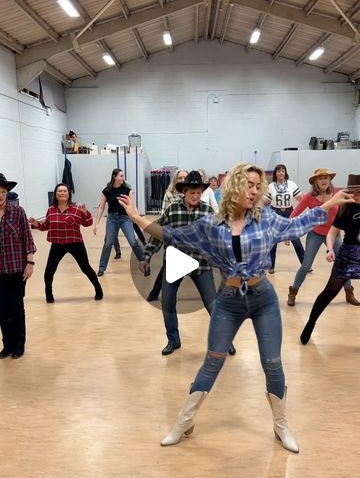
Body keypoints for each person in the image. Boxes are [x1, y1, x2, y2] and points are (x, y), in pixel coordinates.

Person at [119, 162, 352, 452]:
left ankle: (281, 425)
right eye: (249, 185)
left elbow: (295, 227)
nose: (254, 191)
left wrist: (328, 203)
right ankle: (184, 421)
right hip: (229, 302)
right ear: (234, 187)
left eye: (258, 186)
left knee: (272, 362)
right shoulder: (210, 225)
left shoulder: (265, 218)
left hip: (262, 298)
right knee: (213, 360)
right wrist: (136, 217)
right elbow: (172, 236)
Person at [141, 171, 233, 356]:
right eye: (192, 193)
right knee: (167, 303)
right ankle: (173, 340)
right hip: (175, 262)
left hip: (201, 263)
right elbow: (159, 234)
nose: (196, 196)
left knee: (212, 305)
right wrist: (147, 255)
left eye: (199, 193)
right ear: (185, 192)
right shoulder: (172, 210)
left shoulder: (207, 211)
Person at [300, 174, 360, 344]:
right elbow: (332, 232)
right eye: (351, 193)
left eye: (357, 193)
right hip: (347, 255)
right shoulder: (345, 208)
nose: (353, 197)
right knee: (329, 293)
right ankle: (310, 323)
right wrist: (329, 249)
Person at [287, 168, 359, 306]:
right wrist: (287, 233)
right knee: (306, 265)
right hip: (315, 234)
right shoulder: (309, 197)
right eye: (321, 178)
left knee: (343, 264)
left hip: (333, 234)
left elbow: (355, 202)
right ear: (315, 182)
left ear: (330, 179)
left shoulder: (338, 193)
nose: (324, 180)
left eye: (326, 177)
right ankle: (293, 292)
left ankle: (349, 293)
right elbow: (294, 214)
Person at [29, 183, 102, 303]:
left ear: (69, 194)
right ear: (56, 194)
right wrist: (36, 224)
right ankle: (49, 294)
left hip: (75, 243)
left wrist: (85, 213)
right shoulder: (51, 210)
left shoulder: (76, 209)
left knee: (86, 268)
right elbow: (45, 226)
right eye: (59, 191)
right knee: (49, 270)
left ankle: (98, 289)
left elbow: (88, 223)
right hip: (57, 244)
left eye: (65, 191)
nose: (62, 193)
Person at [0, 173, 36, 359]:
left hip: (16, 268)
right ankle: (7, 345)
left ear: (7, 193)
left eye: (3, 191)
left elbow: (27, 239)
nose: (0, 195)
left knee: (16, 307)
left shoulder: (18, 211)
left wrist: (29, 263)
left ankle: (19, 344)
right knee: (2, 309)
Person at [146, 169, 188, 302]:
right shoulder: (169, 194)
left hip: (190, 236)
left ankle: (210, 295)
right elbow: (164, 215)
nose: (182, 180)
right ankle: (156, 293)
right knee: (169, 265)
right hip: (173, 235)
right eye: (180, 178)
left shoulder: (193, 193)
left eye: (184, 178)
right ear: (176, 179)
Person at [94, 168, 144, 276]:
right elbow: (101, 207)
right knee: (108, 243)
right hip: (112, 219)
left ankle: (144, 263)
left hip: (125, 218)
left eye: (123, 176)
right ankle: (102, 268)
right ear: (114, 177)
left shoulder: (127, 190)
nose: (123, 178)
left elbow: (132, 206)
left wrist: (137, 218)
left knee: (132, 241)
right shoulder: (106, 191)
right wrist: (96, 223)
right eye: (121, 176)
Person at [265, 164, 304, 273]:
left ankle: (305, 264)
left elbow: (301, 199)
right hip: (275, 213)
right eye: (278, 171)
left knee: (296, 239)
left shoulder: (292, 184)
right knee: (273, 241)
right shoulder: (271, 186)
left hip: (289, 213)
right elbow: (265, 202)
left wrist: (314, 208)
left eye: (283, 171)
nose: (281, 173)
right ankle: (271, 266)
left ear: (285, 172)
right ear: (275, 174)